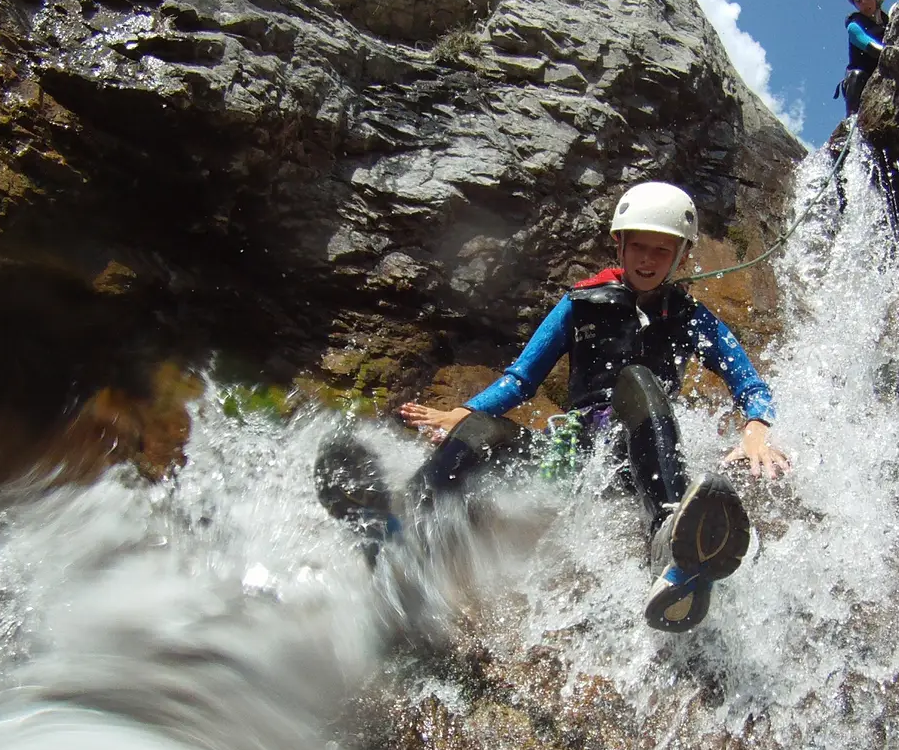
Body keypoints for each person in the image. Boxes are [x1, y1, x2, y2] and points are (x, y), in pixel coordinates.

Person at [315, 182, 790, 633]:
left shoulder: (690, 319)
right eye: (638, 247)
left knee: (637, 379)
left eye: (661, 250)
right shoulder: (580, 305)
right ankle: (406, 533)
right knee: (482, 430)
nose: (647, 259)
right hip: (577, 454)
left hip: (637, 460)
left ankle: (670, 535)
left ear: (681, 256)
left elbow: (747, 382)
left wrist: (755, 429)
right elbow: (522, 379)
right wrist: (465, 412)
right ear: (620, 246)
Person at [836, 0, 889, 117]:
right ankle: (852, 119)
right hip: (860, 81)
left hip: (882, 75)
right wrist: (891, 53)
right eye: (858, 0)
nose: (864, 3)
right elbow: (868, 45)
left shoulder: (890, 24)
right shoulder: (854, 25)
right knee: (856, 75)